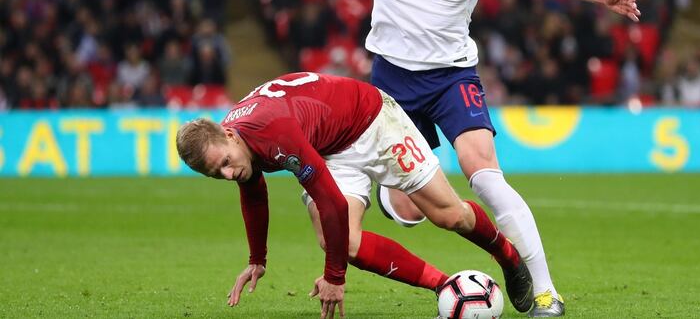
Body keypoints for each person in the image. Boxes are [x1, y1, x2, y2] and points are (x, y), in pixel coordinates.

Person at [182, 0, 641, 316]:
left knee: (483, 174)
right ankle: (397, 195)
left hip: (451, 77)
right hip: (389, 84)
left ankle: (544, 292)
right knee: (407, 210)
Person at [175, 72, 534, 319]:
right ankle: (445, 287)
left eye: (223, 163)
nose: (227, 173)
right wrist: (258, 258)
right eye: (214, 173)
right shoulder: (234, 145)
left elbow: (331, 201)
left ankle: (507, 255)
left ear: (229, 134)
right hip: (328, 148)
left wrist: (334, 278)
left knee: (450, 216)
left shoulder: (272, 135)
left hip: (373, 121)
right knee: (344, 242)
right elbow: (252, 191)